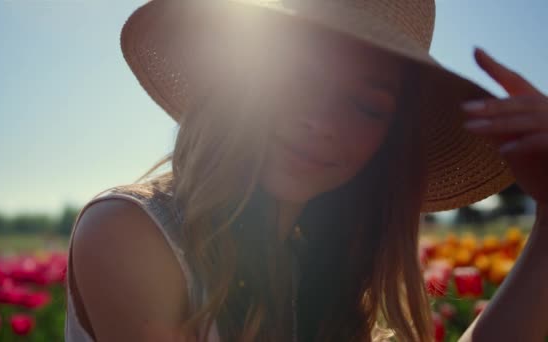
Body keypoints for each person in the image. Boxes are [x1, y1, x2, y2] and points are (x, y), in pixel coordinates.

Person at [64, 0, 548, 341]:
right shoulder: (132, 231)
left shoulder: (314, 266)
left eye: (366, 106)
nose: (321, 122)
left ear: (389, 143)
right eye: (299, 78)